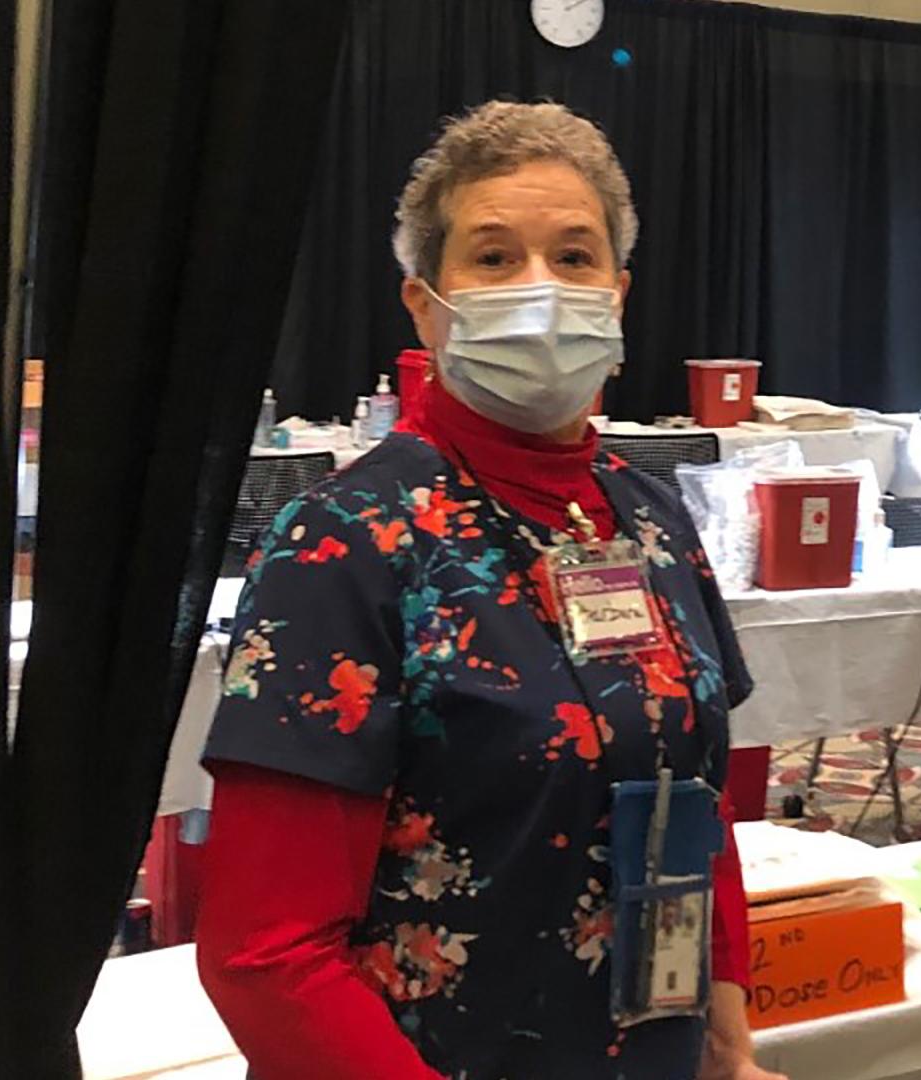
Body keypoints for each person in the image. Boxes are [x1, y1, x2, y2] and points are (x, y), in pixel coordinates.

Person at [195, 101, 785, 1080]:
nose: (542, 289)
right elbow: (267, 956)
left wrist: (728, 1045)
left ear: (620, 294)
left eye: (574, 254)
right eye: (496, 257)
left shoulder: (649, 521)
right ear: (426, 303)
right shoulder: (348, 543)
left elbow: (697, 801)